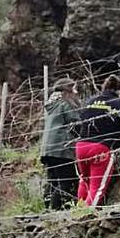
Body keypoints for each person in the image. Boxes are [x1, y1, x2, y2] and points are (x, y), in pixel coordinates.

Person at [73, 75, 120, 207]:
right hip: (101, 148)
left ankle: (78, 210)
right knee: (97, 187)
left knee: (84, 181)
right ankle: (87, 215)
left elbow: (79, 122)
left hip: (81, 145)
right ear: (119, 90)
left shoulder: (89, 102)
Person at [40, 77, 81, 210]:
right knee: (66, 179)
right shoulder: (65, 103)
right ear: (67, 90)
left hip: (48, 148)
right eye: (74, 89)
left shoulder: (52, 104)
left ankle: (47, 208)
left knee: (52, 180)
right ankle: (57, 209)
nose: (76, 92)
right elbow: (75, 122)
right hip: (61, 147)